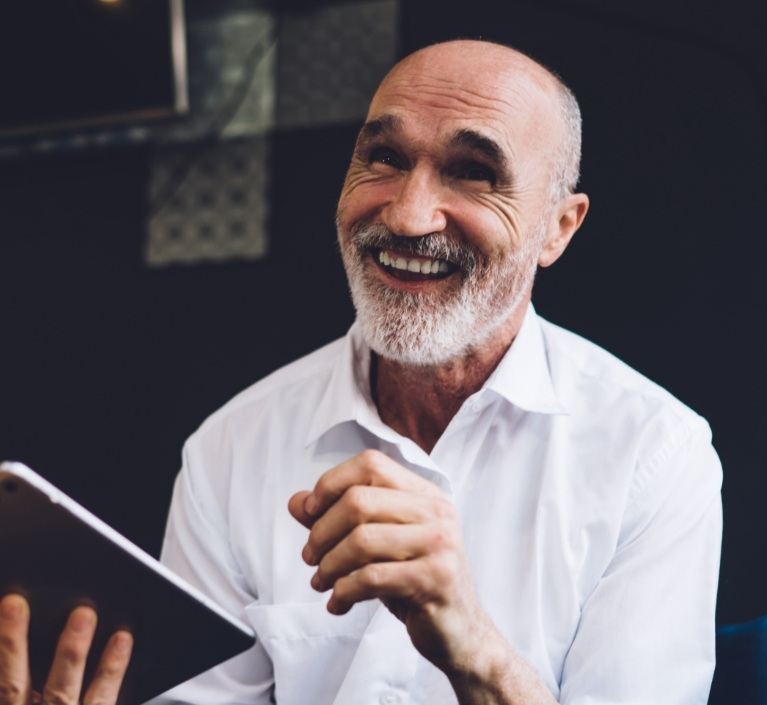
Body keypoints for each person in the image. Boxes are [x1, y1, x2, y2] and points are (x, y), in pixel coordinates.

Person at [0, 39, 722, 705]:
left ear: (557, 228)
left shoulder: (652, 454)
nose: (408, 215)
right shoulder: (230, 447)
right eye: (383, 158)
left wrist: (472, 646)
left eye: (473, 172)